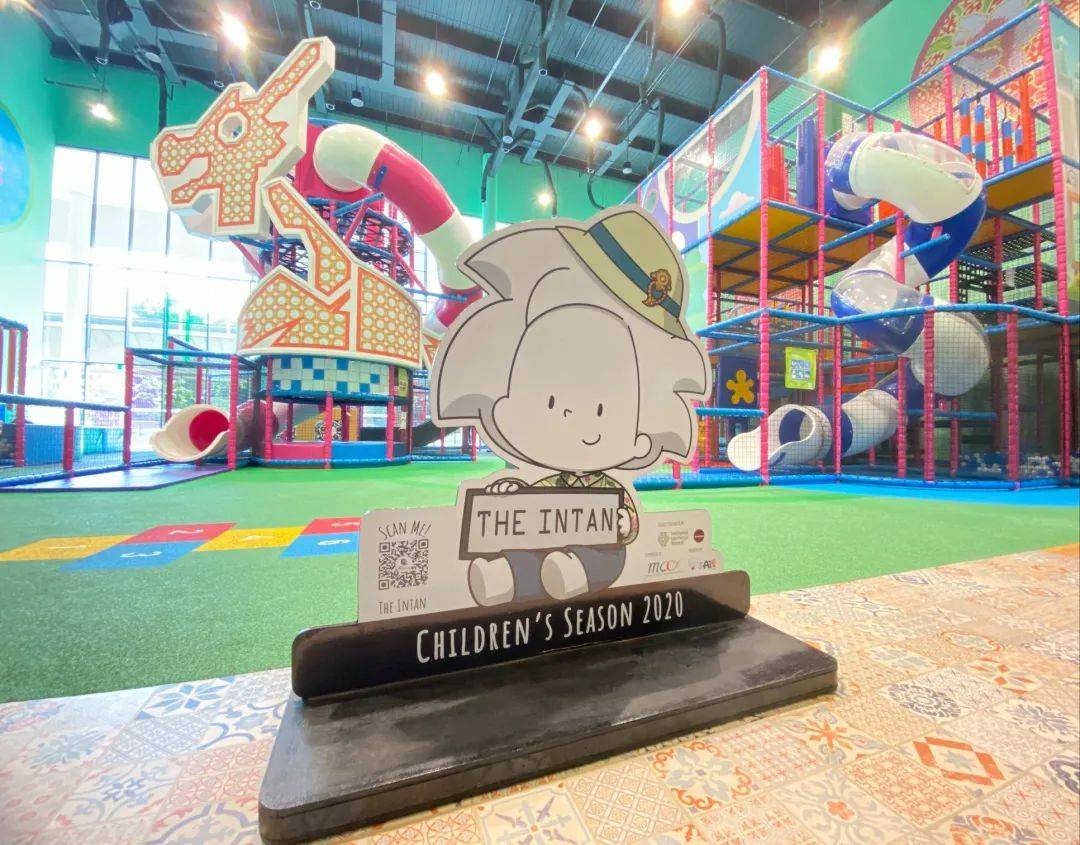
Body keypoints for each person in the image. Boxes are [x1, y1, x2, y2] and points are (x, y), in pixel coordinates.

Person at [432, 206, 711, 606]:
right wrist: (513, 494)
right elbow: (532, 503)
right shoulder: (550, 476)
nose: (575, 417)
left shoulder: (609, 486)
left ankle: (572, 573)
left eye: (601, 410)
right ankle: (505, 577)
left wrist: (623, 522)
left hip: (596, 551)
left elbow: (629, 523)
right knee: (528, 551)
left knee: (606, 554)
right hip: (547, 545)